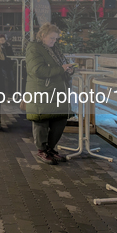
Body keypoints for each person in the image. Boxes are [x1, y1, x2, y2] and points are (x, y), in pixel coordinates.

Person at [25, 23, 74, 165]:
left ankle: (50, 148)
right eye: (51, 38)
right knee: (42, 121)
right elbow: (38, 70)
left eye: (56, 38)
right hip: (42, 91)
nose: (54, 41)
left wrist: (69, 70)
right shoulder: (34, 48)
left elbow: (62, 65)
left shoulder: (55, 50)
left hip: (58, 91)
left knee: (60, 120)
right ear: (42, 35)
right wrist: (61, 69)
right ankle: (42, 149)